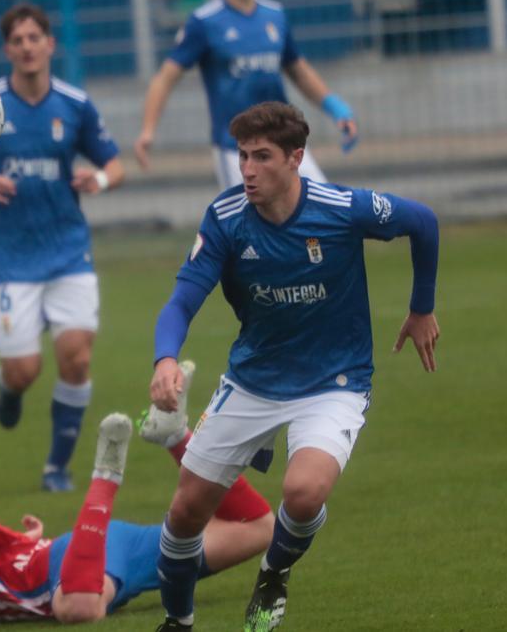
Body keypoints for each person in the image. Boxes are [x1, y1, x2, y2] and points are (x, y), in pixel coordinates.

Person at [144, 102, 440, 631]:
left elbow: (423, 222)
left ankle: (273, 573)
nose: (248, 170)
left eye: (262, 156)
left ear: (296, 158)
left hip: (335, 380)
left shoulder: (342, 208)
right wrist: (165, 358)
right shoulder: (226, 218)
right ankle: (177, 620)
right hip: (254, 378)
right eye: (242, 156)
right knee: (187, 510)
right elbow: (183, 297)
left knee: (303, 492)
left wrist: (421, 307)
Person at [0, 377, 276, 626]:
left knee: (80, 610)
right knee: (260, 530)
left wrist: (15, 542)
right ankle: (176, 437)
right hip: (108, 556)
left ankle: (105, 477)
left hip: (70, 564)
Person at [0, 4, 125, 492]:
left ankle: (56, 468)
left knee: (77, 358)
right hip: (10, 257)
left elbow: (115, 163)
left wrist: (101, 178)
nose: (27, 47)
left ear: (50, 45)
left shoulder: (75, 104)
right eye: (17, 40)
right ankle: (9, 389)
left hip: (68, 251)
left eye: (34, 38)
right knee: (25, 370)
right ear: (8, 50)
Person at [134, 0, 358, 189]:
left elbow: (299, 70)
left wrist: (336, 108)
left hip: (284, 143)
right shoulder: (204, 22)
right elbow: (165, 78)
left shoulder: (275, 15)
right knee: (251, 222)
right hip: (238, 151)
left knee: (323, 213)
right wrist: (147, 131)